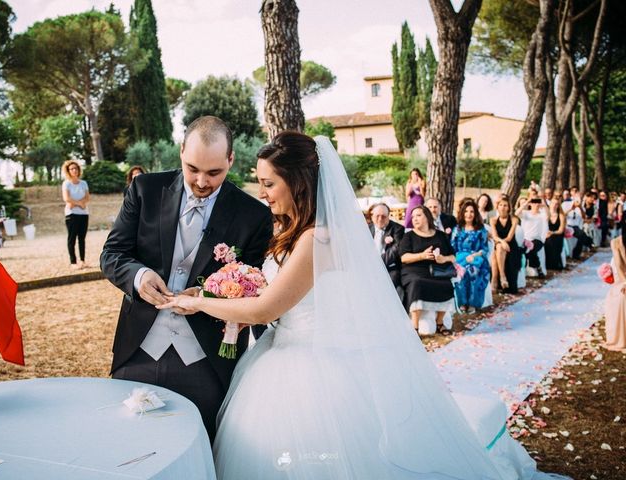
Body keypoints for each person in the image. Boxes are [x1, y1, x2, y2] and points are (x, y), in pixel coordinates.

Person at [159, 132, 559, 479]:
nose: (261, 193)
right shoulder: (295, 231)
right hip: (279, 353)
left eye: (269, 183)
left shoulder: (319, 240)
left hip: (311, 369)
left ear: (298, 183)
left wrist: (201, 303)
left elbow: (265, 310)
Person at [100, 116, 274, 442]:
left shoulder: (254, 215)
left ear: (231, 160)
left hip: (207, 361)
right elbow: (112, 255)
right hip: (136, 353)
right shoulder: (144, 190)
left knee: (198, 447)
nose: (202, 181)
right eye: (193, 168)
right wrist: (140, 277)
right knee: (126, 446)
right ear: (181, 151)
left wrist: (208, 296)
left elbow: (253, 287)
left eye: (214, 172)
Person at [399, 205, 456, 334]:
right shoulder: (409, 236)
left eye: (419, 215)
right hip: (414, 270)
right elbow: (404, 257)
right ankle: (415, 326)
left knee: (446, 284)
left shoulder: (441, 236)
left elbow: (453, 256)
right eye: (413, 216)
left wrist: (444, 259)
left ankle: (440, 322)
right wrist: (422, 255)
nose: (415, 219)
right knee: (417, 283)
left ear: (427, 217)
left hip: (437, 270)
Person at [452, 199, 490, 314]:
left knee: (473, 271)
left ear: (475, 214)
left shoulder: (480, 230)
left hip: (477, 258)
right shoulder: (457, 229)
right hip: (460, 258)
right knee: (461, 272)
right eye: (466, 211)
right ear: (462, 213)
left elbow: (484, 249)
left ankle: (473, 303)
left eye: (472, 212)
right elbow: (452, 247)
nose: (469, 214)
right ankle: (463, 303)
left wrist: (474, 255)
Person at [368, 203, 405, 301]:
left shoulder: (398, 229)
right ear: (372, 216)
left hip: (390, 267)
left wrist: (377, 264)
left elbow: (395, 250)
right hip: (368, 267)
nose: (380, 219)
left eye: (384, 216)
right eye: (377, 216)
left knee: (389, 284)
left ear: (389, 216)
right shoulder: (366, 229)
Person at [61, 160, 90, 270]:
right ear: (68, 171)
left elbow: (87, 197)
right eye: (72, 169)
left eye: (76, 168)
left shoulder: (84, 183)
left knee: (82, 238)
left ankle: (83, 261)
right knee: (72, 238)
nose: (74, 170)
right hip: (71, 214)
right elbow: (66, 198)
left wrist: (76, 203)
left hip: (84, 214)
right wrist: (80, 204)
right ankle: (73, 262)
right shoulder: (66, 183)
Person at [490, 196, 521, 293]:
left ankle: (495, 280)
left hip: (511, 246)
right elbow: (494, 236)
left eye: (505, 205)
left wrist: (503, 242)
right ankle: (502, 277)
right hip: (499, 244)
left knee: (498, 249)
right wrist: (501, 242)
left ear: (509, 208)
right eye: (501, 205)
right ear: (497, 207)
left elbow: (509, 237)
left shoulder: (514, 219)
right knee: (498, 247)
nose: (503, 207)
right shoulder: (493, 220)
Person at [604, 219, 626, 352]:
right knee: (619, 295)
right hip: (622, 276)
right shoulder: (616, 242)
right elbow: (619, 264)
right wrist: (625, 281)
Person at [516, 197, 548, 278]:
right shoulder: (526, 213)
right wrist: (527, 202)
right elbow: (516, 213)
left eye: (537, 202)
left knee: (531, 248)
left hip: (537, 240)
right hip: (526, 239)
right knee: (525, 249)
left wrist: (544, 205)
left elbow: (548, 215)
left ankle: (538, 268)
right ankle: (534, 267)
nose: (536, 204)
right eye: (534, 202)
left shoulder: (542, 215)